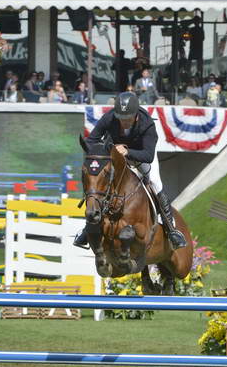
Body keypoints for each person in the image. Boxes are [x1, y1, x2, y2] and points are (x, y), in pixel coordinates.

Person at [74, 91, 187, 250]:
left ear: (136, 116)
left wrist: (127, 151)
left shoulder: (147, 124)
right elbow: (91, 140)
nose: (123, 122)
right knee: (101, 184)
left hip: (141, 157)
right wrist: (105, 151)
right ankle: (89, 228)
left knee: (155, 182)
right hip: (116, 158)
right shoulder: (109, 118)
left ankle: (171, 228)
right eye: (121, 118)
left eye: (127, 119)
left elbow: (148, 155)